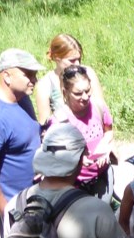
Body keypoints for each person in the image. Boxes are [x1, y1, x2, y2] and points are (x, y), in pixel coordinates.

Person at [0, 48, 43, 229]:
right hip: (16, 207)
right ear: (7, 76)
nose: (34, 80)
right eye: (28, 75)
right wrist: (7, 212)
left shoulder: (22, 99)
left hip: (36, 198)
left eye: (35, 74)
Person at [48, 65, 115, 204]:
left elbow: (109, 131)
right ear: (65, 92)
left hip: (103, 177)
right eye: (78, 93)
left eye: (87, 90)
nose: (85, 97)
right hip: (75, 184)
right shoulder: (59, 120)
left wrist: (105, 148)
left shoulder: (98, 106)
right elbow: (54, 156)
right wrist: (77, 159)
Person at [34, 34, 107, 127]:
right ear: (57, 58)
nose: (77, 64)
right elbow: (44, 123)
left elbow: (102, 108)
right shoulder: (45, 84)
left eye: (79, 59)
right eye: (72, 60)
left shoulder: (88, 73)